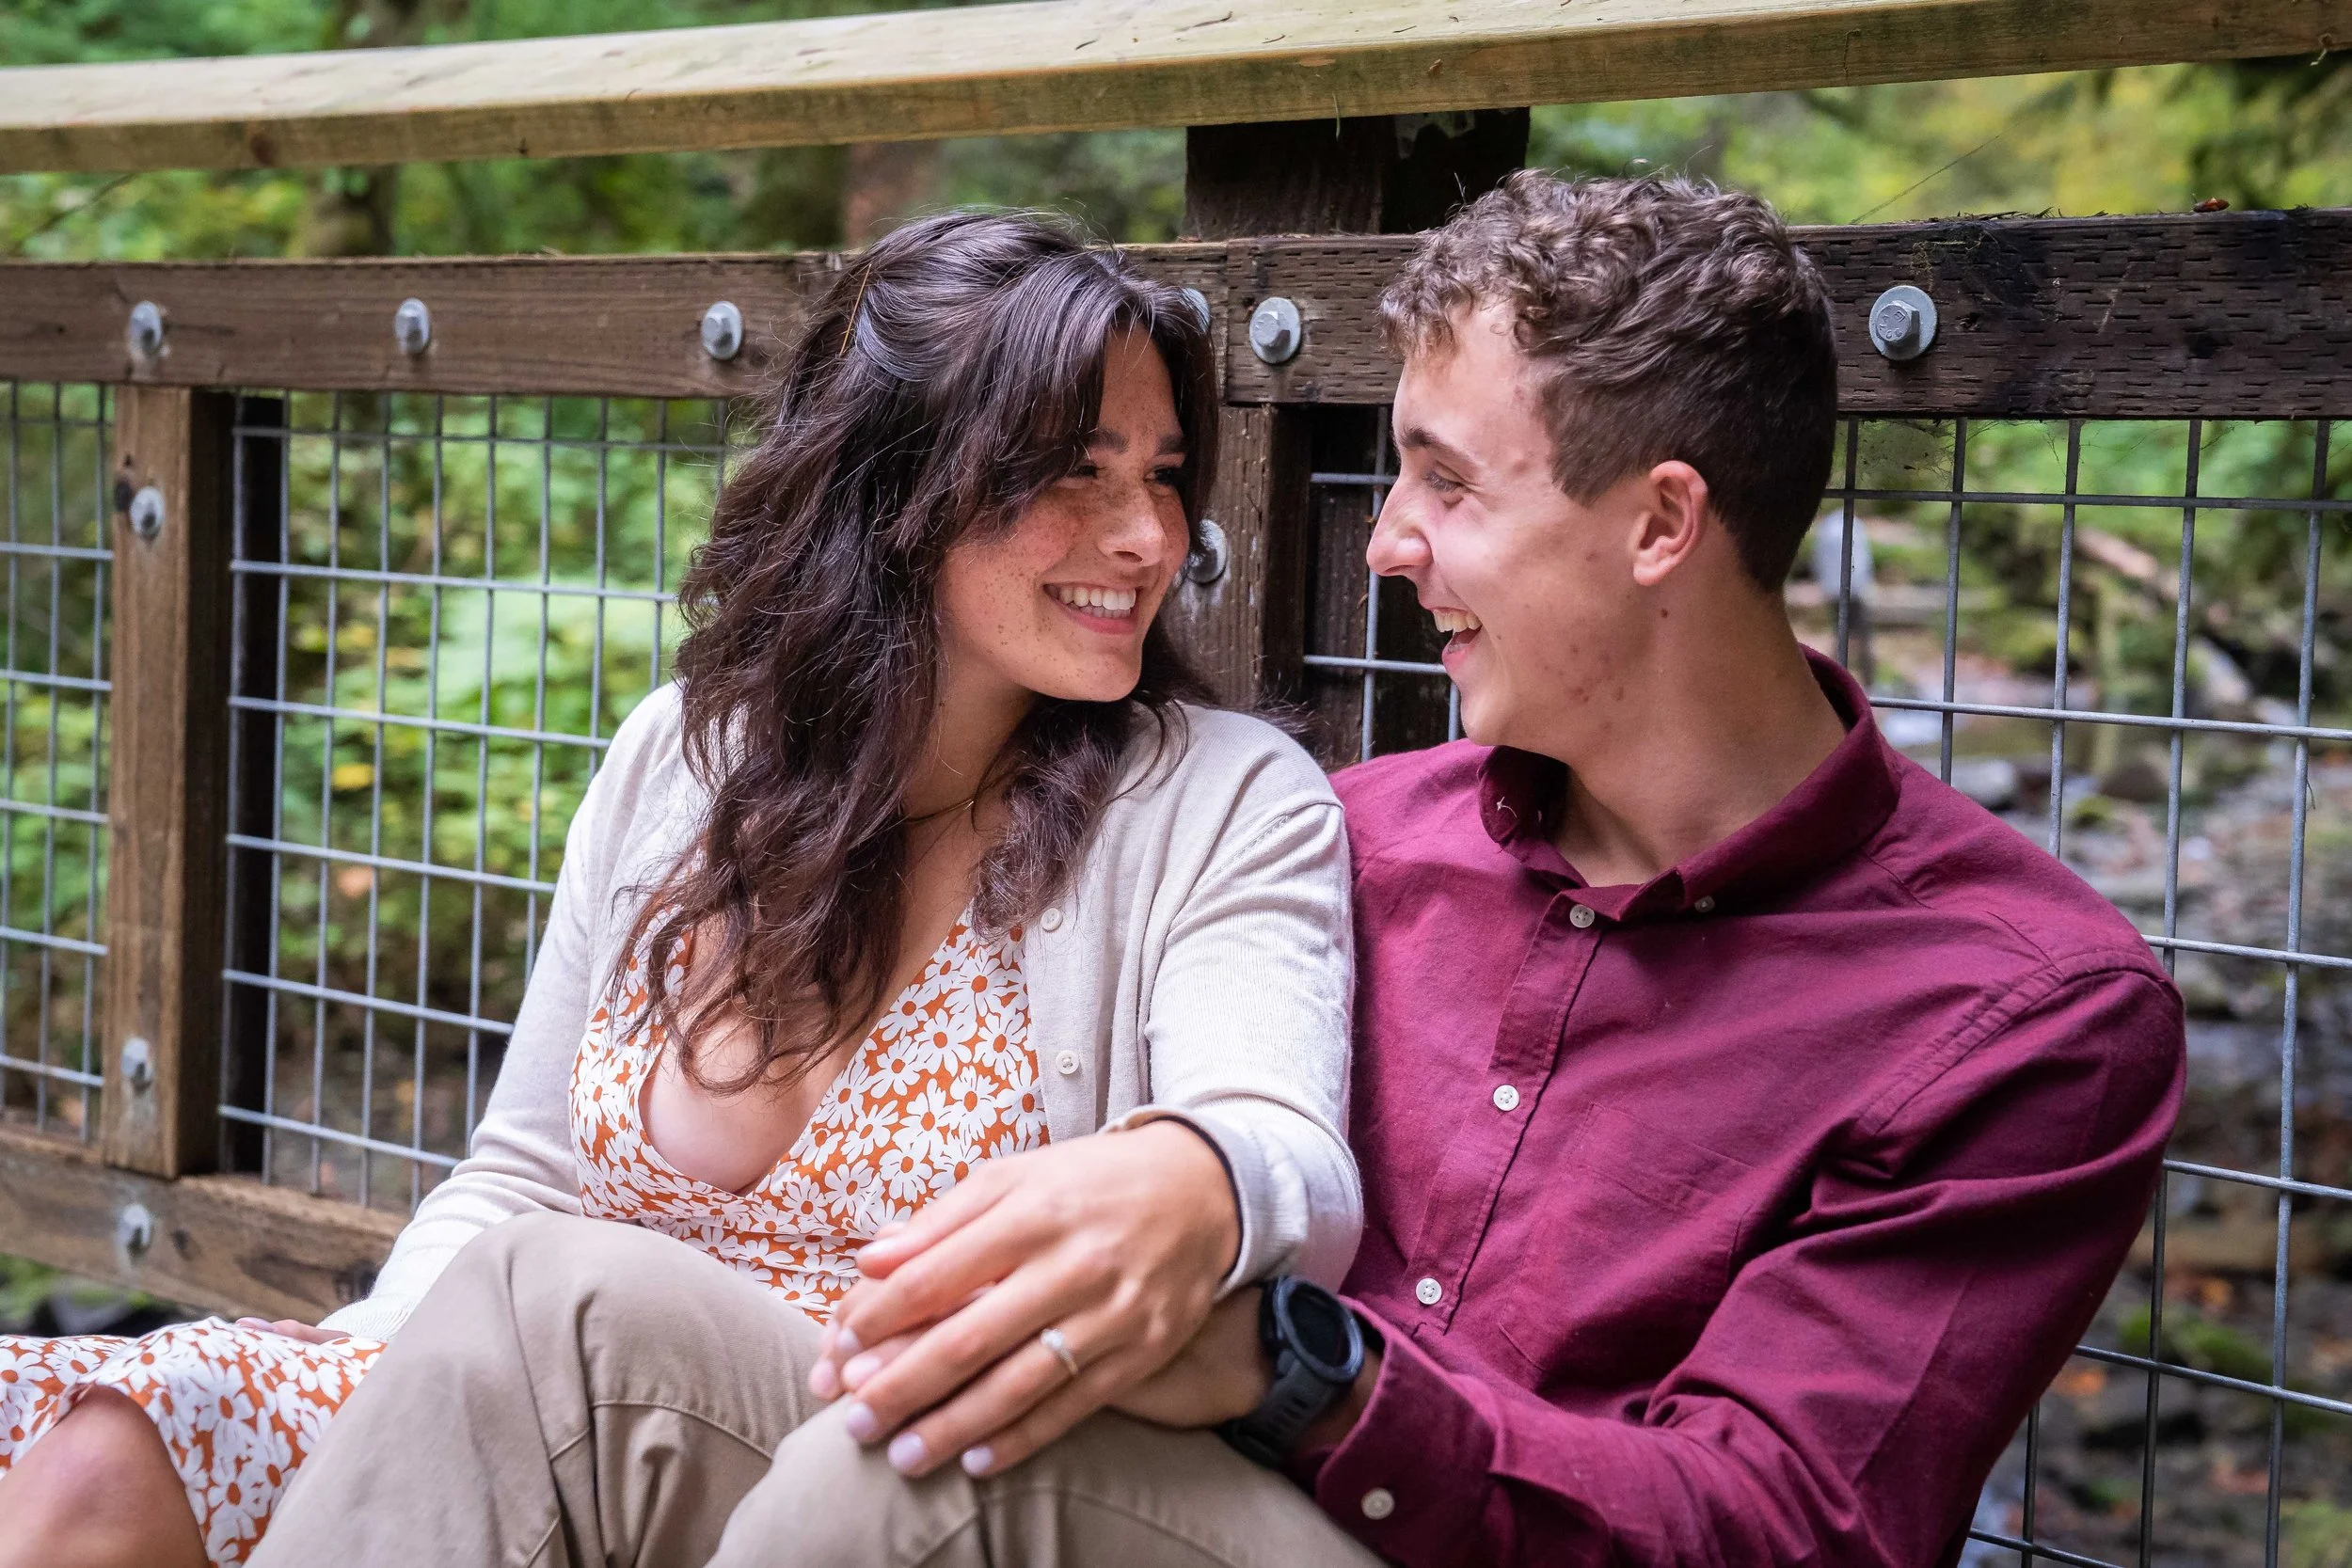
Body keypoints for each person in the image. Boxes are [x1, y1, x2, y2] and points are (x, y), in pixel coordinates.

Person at [249, 173, 2185, 1568]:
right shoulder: (1368, 835)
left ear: (1659, 520)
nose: (1381, 548)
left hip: (1367, 1508)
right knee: (546, 1311)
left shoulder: (2016, 1012)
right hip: (1180, 1490)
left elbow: (1783, 1527)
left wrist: (1302, 1368)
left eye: (1442, 480)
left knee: (928, 1459)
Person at [0, 211, 1361, 1568]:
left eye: (1166, 474)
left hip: (885, 1471)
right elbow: (522, 1168)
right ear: (899, 484)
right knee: (112, 1445)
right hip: (543, 1406)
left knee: (556, 1306)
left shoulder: (1221, 800)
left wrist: (1200, 1178)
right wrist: (376, 1356)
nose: (1146, 535)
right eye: (1079, 470)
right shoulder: (686, 756)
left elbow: (1285, 1150)